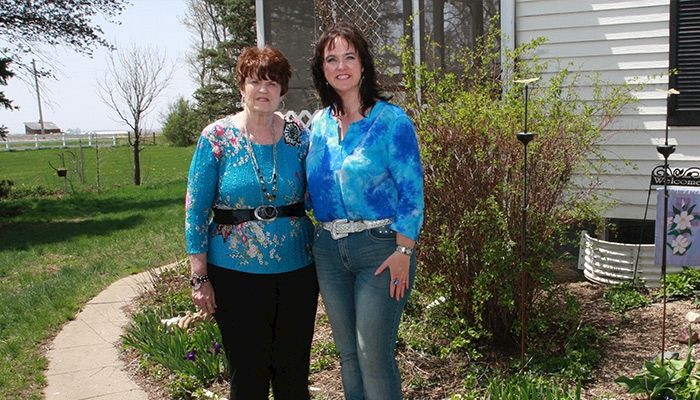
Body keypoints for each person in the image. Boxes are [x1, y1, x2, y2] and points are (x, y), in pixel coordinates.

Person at [185, 46, 318, 400]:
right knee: (248, 374)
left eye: (273, 83)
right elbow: (195, 211)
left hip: (297, 271)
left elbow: (317, 191)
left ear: (283, 90)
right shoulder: (217, 138)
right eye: (255, 81)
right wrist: (200, 277)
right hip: (234, 274)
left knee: (293, 372)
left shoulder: (295, 133)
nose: (264, 89)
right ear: (241, 86)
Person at [307, 21, 425, 400]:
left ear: (363, 64)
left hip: (381, 248)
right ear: (322, 69)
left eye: (349, 57)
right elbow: (311, 189)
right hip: (328, 249)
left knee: (373, 353)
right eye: (331, 59)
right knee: (347, 355)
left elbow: (412, 191)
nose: (341, 66)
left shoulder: (391, 121)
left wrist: (404, 251)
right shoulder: (319, 124)